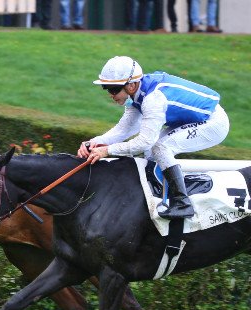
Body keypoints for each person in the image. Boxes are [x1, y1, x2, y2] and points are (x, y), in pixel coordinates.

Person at [78, 56, 229, 219]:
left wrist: (107, 151)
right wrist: (94, 142)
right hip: (195, 120)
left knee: (161, 147)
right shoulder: (137, 95)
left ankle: (182, 203)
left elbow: (144, 141)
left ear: (131, 85)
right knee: (151, 151)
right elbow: (124, 129)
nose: (111, 95)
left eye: (114, 89)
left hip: (213, 123)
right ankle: (156, 195)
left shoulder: (153, 100)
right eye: (107, 88)